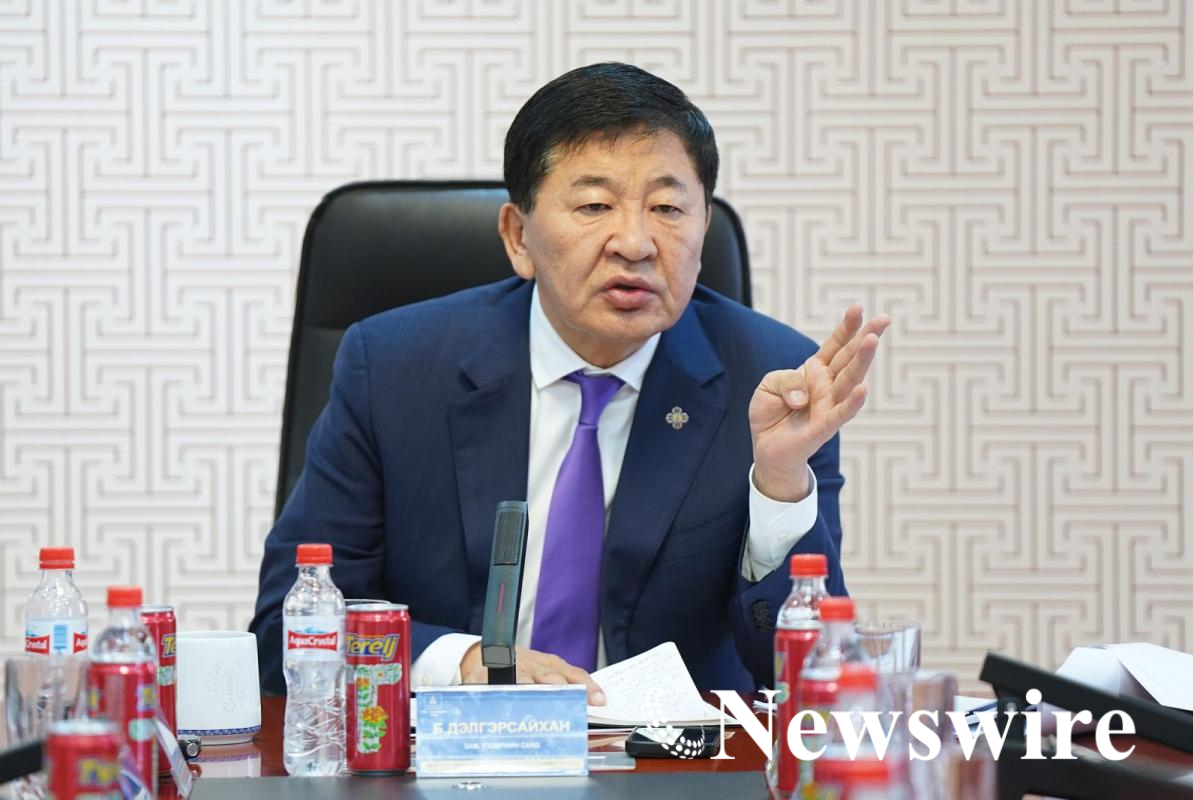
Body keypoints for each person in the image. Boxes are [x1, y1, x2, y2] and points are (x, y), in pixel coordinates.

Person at [250, 62, 888, 699]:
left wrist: (777, 484)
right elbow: (288, 633)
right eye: (594, 205)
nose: (635, 243)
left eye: (668, 207)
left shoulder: (771, 379)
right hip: (455, 746)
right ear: (518, 237)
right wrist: (462, 661)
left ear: (702, 228)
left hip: (669, 754)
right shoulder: (393, 369)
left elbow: (810, 675)